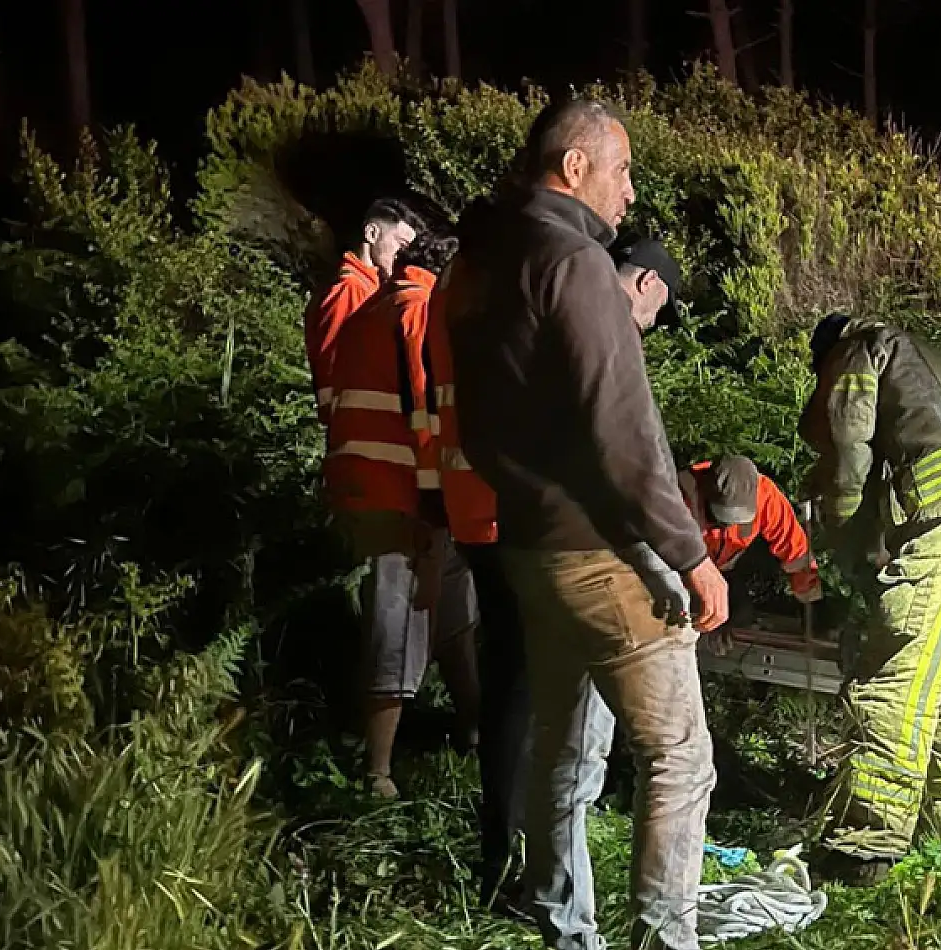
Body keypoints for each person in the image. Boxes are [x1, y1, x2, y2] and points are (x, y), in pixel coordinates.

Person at [442, 98, 727, 950]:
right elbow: (625, 432)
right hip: (605, 551)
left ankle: (565, 932)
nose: (630, 193)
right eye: (623, 170)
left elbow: (468, 420)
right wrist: (691, 554)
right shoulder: (575, 264)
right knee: (679, 759)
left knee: (563, 757)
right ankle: (661, 941)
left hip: (528, 545)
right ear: (575, 168)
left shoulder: (479, 266)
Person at [431, 220, 689, 906]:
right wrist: (687, 558)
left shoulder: (507, 296)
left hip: (503, 529)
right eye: (657, 311)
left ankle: (540, 893)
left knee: (550, 728)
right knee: (673, 756)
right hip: (569, 541)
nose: (651, 324)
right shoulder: (592, 312)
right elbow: (624, 454)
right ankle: (649, 923)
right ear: (647, 284)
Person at [799, 312, 941, 883]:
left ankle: (867, 844)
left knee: (897, 682)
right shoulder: (926, 357)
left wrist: (849, 549)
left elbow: (848, 449)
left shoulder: (859, 348)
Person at [324, 232, 480, 800]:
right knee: (401, 622)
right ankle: (378, 773)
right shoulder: (419, 308)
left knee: (454, 606)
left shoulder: (376, 306)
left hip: (363, 484)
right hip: (401, 493)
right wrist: (436, 500)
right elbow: (426, 409)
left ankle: (472, 725)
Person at [305, 198, 423, 422]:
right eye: (401, 245)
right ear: (371, 233)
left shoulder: (369, 288)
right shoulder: (350, 289)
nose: (404, 255)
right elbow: (332, 362)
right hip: (355, 422)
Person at [678, 455, 823, 619]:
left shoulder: (765, 495)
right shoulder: (681, 493)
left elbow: (794, 547)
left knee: (741, 614)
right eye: (722, 518)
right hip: (683, 569)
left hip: (726, 567)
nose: (729, 525)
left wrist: (808, 589)